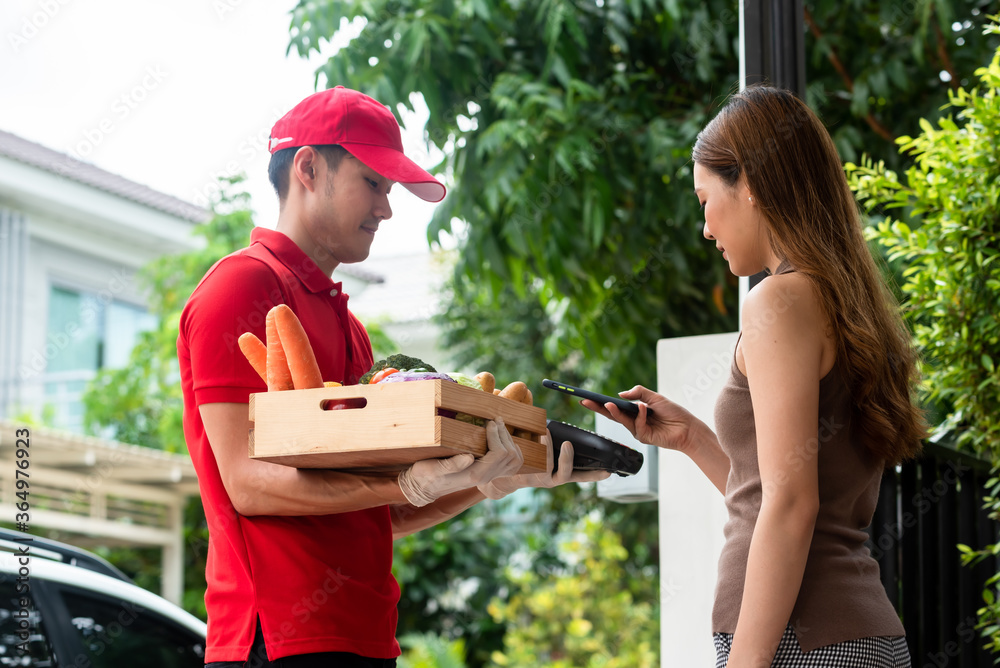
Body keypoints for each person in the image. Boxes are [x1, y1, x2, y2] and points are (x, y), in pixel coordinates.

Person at [177, 85, 608, 667]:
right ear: (308, 167)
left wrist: (486, 481)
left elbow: (380, 512)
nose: (386, 208)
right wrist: (408, 483)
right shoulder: (242, 288)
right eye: (373, 183)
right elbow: (247, 486)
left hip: (366, 635)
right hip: (278, 638)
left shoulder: (349, 327)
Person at [583, 85, 924, 667]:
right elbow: (779, 490)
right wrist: (691, 437)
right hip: (858, 634)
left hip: (804, 643)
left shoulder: (778, 301)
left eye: (704, 199)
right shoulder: (845, 300)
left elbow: (792, 505)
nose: (706, 227)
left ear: (752, 187)